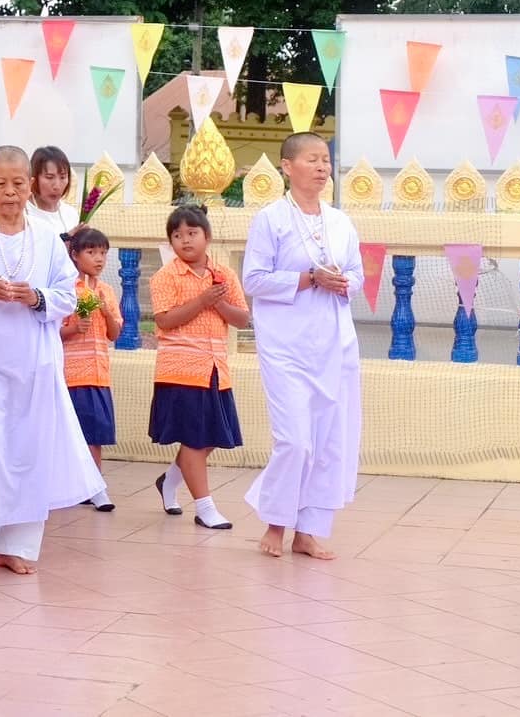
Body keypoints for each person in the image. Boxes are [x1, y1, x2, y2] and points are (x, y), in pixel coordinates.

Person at [0, 146, 102, 577]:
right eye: (0, 183)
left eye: (18, 183)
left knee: (29, 450)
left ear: (30, 185)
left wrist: (36, 298)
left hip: (34, 359)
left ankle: (16, 547)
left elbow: (67, 294)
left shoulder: (47, 237)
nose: (10, 192)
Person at [243, 132, 363, 560]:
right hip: (285, 346)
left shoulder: (340, 222)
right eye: (312, 159)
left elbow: (357, 274)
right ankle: (276, 523)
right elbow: (254, 280)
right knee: (296, 440)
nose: (322, 167)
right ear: (287, 166)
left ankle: (308, 531)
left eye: (325, 160)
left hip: (334, 345)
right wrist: (309, 278)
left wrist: (343, 281)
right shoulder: (270, 219)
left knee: (328, 441)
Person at [149, 204, 250, 530]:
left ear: (207, 236)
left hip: (215, 370)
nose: (185, 240)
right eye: (177, 235)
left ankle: (169, 481)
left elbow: (242, 319)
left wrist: (218, 302)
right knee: (194, 440)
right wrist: (202, 301)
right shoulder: (165, 276)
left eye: (192, 233)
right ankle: (205, 508)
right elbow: (165, 320)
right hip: (180, 370)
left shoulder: (224, 275)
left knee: (209, 439)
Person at [60, 226, 121, 512]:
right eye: (91, 252)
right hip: (71, 374)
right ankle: (77, 486)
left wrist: (106, 312)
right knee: (72, 436)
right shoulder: (66, 289)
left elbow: (114, 333)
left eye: (103, 253)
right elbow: (52, 332)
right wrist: (74, 327)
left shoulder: (106, 291)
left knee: (96, 434)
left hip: (98, 374)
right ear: (74, 255)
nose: (99, 259)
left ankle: (95, 487)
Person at [28, 145, 79, 236]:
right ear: (34, 178)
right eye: (49, 177)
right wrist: (66, 238)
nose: (57, 186)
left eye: (62, 177)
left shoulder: (71, 214)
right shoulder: (22, 213)